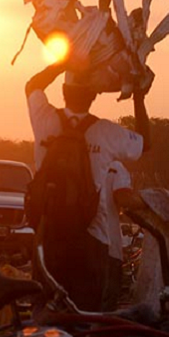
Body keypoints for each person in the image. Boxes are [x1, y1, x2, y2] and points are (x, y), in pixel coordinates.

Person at [26, 62, 149, 311]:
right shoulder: (105, 131)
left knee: (45, 314)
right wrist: (138, 96)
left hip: (47, 236)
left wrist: (65, 61)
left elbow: (33, 85)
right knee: (85, 319)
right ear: (94, 95)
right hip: (91, 238)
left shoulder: (45, 120)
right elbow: (145, 144)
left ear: (63, 90)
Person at [99, 160, 140, 310]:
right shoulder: (115, 167)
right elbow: (124, 199)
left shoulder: (83, 162)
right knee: (107, 299)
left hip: (79, 245)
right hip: (108, 245)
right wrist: (149, 203)